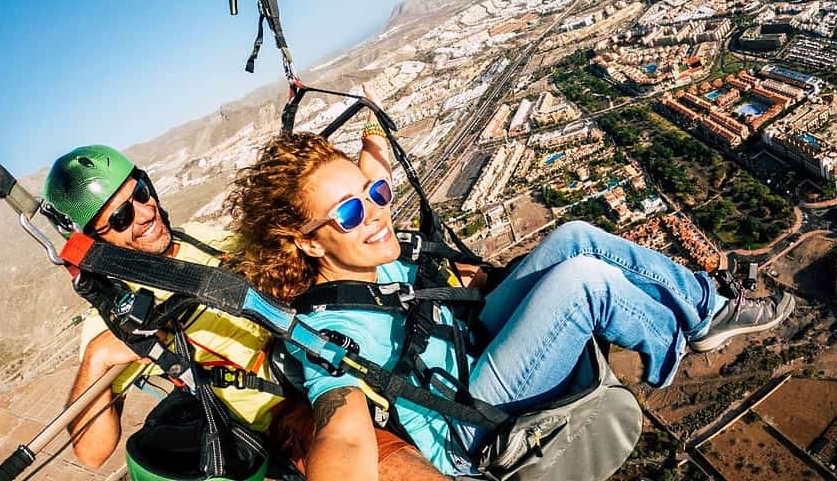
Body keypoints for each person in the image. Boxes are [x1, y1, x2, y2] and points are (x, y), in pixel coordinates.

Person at [228, 132, 796, 480]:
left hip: (470, 342)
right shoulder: (327, 329)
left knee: (573, 237)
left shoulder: (365, 255)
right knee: (583, 282)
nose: (376, 213)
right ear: (304, 241)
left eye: (375, 197)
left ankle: (705, 310)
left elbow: (373, 165)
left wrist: (361, 155)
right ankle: (672, 345)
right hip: (470, 422)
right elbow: (344, 437)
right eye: (349, 214)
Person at [44, 141, 448, 480]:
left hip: (326, 339)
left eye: (141, 193)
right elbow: (93, 453)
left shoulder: (201, 239)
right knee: (386, 461)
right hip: (288, 406)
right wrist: (99, 357)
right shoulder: (117, 315)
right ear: (94, 241)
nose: (145, 213)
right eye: (120, 217)